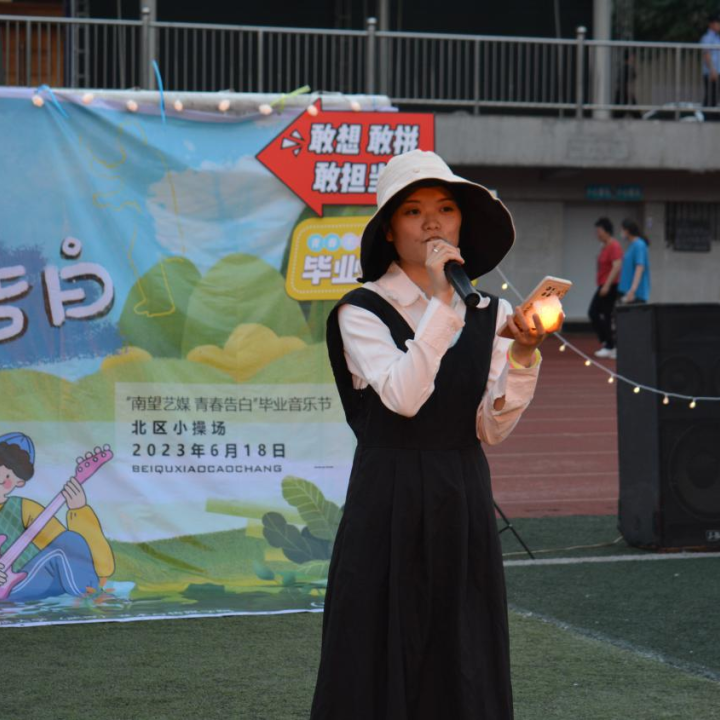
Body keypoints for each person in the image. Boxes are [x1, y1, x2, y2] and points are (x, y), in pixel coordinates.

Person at [310, 150, 562, 720]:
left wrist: (523, 354)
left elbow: (491, 427)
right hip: (387, 495)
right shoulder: (361, 310)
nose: (432, 223)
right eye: (413, 211)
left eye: (446, 209)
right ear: (389, 230)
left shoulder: (490, 310)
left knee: (463, 643)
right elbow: (403, 397)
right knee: (377, 642)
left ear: (461, 223)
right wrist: (446, 304)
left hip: (461, 491)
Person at [0, 432, 114, 601]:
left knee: (69, 541)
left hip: (23, 583)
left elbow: (102, 566)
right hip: (8, 593)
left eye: (8, 475)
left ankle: (92, 597)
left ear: (20, 482)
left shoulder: (24, 509)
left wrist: (79, 510)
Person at [589, 217, 623, 360]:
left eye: (599, 231)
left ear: (607, 231)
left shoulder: (614, 246)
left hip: (610, 286)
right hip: (603, 284)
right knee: (600, 314)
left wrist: (607, 285)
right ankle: (608, 344)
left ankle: (610, 345)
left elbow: (617, 266)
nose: (597, 234)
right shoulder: (604, 246)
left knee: (597, 313)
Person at [617, 219, 650, 305]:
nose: (621, 232)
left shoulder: (639, 245)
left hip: (634, 295)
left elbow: (640, 267)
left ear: (627, 231)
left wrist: (632, 291)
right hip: (626, 291)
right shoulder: (633, 245)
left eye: (622, 230)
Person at [701, 14, 720, 117]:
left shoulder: (717, 38)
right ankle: (707, 116)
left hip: (717, 71)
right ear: (712, 24)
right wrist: (712, 69)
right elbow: (707, 54)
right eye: (718, 23)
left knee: (715, 95)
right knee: (710, 95)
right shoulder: (707, 37)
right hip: (711, 72)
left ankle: (712, 116)